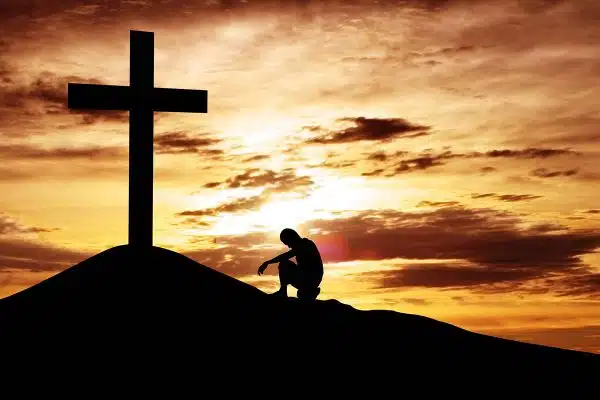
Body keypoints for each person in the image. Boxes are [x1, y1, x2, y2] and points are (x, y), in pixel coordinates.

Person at [257, 228, 323, 300]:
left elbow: (286, 255)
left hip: (310, 279)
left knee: (284, 264)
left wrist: (267, 262)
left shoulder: (305, 244)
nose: (288, 246)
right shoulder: (304, 244)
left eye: (287, 243)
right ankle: (285, 291)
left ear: (292, 238)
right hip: (307, 278)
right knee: (287, 263)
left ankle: (283, 291)